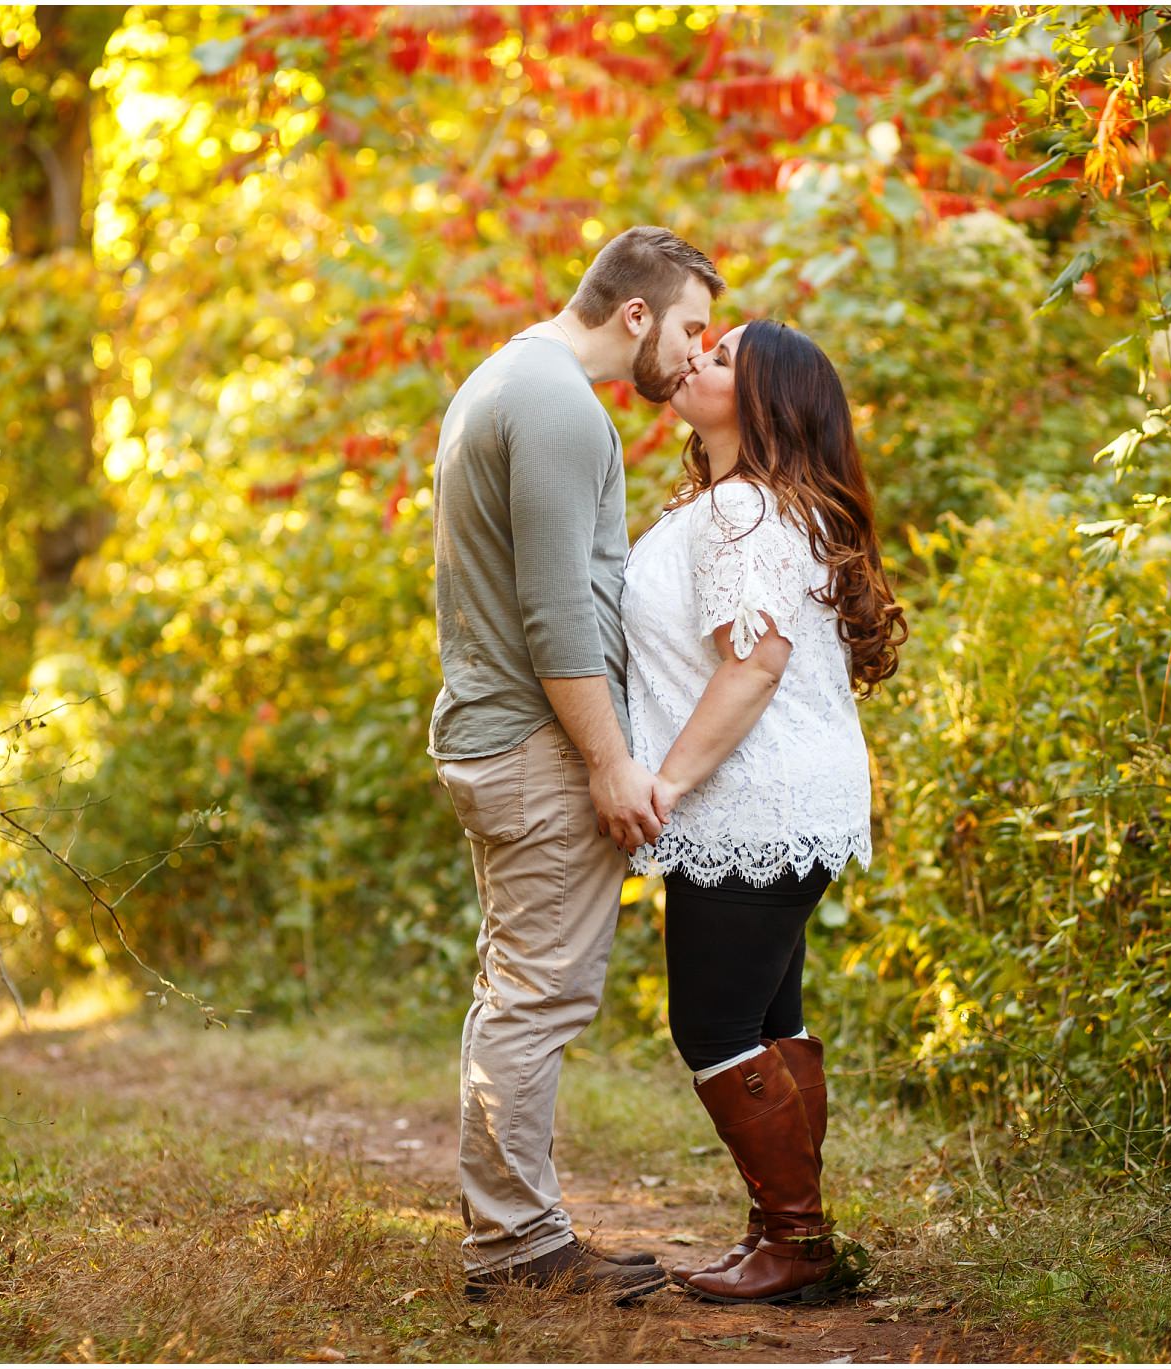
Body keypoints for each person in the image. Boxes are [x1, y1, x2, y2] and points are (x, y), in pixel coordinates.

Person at [429, 226, 725, 1303]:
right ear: (634, 314)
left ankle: (514, 1231)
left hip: (493, 732)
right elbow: (558, 612)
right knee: (538, 997)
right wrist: (608, 762)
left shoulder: (503, 378)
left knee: (517, 989)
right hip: (532, 746)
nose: (694, 357)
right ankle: (515, 1251)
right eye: (688, 328)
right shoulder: (556, 404)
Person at [622, 319, 908, 1305]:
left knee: (712, 1022)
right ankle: (792, 1238)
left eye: (721, 358)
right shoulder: (742, 503)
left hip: (749, 798)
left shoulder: (742, 510)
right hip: (786, 796)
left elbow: (754, 664)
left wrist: (662, 784)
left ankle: (793, 1239)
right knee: (763, 1021)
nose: (694, 359)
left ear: (763, 402)